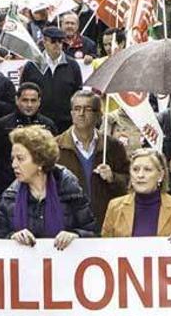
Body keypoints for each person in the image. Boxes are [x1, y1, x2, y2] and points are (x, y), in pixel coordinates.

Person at [0, 125, 96, 249]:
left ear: (40, 161)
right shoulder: (10, 197)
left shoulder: (69, 189)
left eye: (20, 159)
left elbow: (92, 232)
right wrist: (12, 237)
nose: (14, 164)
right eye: (13, 159)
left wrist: (75, 236)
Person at [55, 91, 129, 231]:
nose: (81, 113)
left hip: (106, 222)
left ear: (98, 115)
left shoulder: (113, 147)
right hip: (69, 227)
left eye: (87, 109)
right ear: (71, 114)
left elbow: (129, 183)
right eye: (77, 109)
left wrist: (113, 177)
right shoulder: (56, 147)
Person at [0, 83, 57, 215]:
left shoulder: (48, 126)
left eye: (33, 101)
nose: (29, 105)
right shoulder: (2, 125)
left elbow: (53, 161)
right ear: (17, 100)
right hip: (6, 189)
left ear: (39, 102)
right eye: (25, 100)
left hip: (40, 192)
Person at [101, 146, 171, 238]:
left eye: (147, 170)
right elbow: (104, 248)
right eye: (135, 169)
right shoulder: (114, 207)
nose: (140, 175)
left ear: (160, 175)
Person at [18, 26, 84, 133]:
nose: (57, 44)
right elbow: (23, 91)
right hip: (38, 123)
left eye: (60, 41)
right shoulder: (32, 65)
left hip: (66, 123)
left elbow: (78, 93)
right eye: (53, 41)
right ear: (44, 42)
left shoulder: (73, 65)